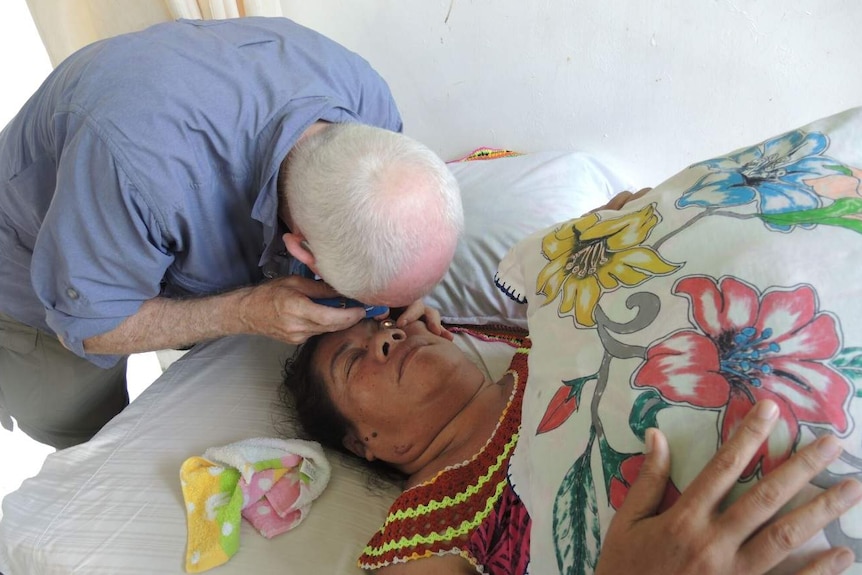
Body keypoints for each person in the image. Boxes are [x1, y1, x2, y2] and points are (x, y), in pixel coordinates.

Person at [0, 17, 462, 449]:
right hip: (30, 271)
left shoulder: (366, 98)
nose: (388, 326)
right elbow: (89, 325)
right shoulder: (140, 172)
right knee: (82, 421)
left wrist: (400, 289)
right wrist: (241, 312)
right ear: (300, 248)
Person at [282, 315, 862, 575]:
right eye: (355, 358)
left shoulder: (541, 335)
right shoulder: (419, 544)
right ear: (364, 443)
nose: (388, 337)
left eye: (388, 324)